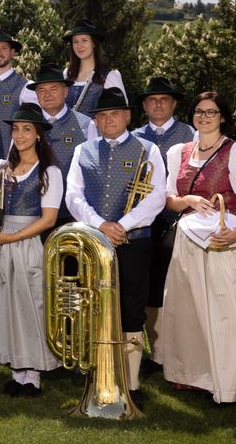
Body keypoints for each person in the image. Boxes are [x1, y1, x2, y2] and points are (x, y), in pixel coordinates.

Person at [156, 91, 236, 403]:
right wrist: (187, 200)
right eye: (199, 112)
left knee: (227, 313)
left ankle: (234, 382)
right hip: (189, 242)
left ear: (223, 117)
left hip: (225, 240)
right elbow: (170, 199)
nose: (205, 117)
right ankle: (198, 377)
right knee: (192, 314)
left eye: (212, 112)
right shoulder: (178, 152)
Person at [64, 87, 167, 397]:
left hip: (134, 242)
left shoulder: (147, 149)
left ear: (127, 116)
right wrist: (101, 225)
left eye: (114, 114)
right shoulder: (84, 150)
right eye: (102, 115)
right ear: (96, 120)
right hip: (94, 243)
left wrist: (121, 225)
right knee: (94, 306)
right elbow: (73, 195)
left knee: (132, 310)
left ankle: (132, 384)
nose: (108, 120)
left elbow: (157, 196)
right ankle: (101, 377)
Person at [0, 103, 62, 398]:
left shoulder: (49, 171)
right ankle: (16, 370)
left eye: (27, 129)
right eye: (16, 129)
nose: (20, 135)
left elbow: (48, 219)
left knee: (30, 305)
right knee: (3, 305)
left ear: (38, 135)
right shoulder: (2, 167)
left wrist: (13, 238)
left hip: (27, 243)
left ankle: (33, 373)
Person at [131, 76, 195, 376]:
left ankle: (177, 349)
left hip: (176, 222)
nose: (158, 104)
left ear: (174, 104)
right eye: (152, 99)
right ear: (144, 105)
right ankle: (153, 351)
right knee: (146, 287)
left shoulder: (189, 135)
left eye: (164, 99)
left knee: (174, 287)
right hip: (143, 224)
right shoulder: (134, 136)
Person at [27, 63, 96, 230]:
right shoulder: (26, 125)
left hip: (71, 213)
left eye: (53, 89)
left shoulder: (87, 125)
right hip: (32, 212)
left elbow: (93, 173)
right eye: (42, 90)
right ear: (36, 94)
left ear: (66, 91)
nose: (47, 95)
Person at [63, 19, 126, 112]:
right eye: (75, 42)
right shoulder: (67, 74)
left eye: (84, 40)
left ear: (94, 43)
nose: (79, 46)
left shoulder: (110, 76)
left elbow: (123, 114)